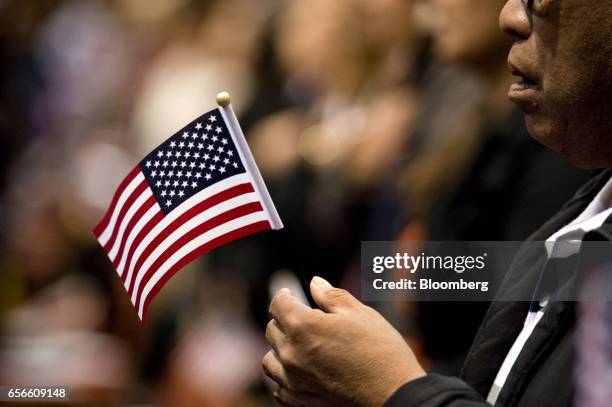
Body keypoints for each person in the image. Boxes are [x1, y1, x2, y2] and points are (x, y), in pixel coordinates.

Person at [262, 0, 612, 406]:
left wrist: (395, 381)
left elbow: (493, 280)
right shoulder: (446, 107)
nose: (430, 7)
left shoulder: (562, 139)